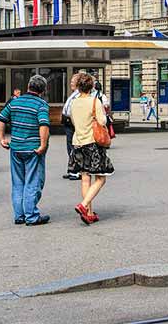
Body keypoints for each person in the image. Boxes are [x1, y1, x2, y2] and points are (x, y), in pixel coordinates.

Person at [0, 74, 51, 225]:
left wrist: (2, 139)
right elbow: (43, 125)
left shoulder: (15, 102)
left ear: (28, 86)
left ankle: (19, 215)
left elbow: (1, 119)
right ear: (43, 90)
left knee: (18, 182)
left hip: (15, 147)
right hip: (33, 149)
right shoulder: (41, 104)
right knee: (33, 182)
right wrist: (42, 145)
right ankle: (31, 216)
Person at [67, 72, 112, 224]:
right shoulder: (94, 102)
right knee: (101, 178)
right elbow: (102, 121)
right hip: (92, 143)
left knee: (85, 178)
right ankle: (83, 205)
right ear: (91, 86)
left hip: (77, 142)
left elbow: (73, 121)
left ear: (78, 87)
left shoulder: (73, 102)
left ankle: (89, 212)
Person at [62, 78, 82, 180]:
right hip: (68, 123)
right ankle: (72, 170)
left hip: (73, 123)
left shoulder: (79, 94)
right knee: (70, 147)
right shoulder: (74, 93)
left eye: (72, 82)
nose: (70, 84)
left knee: (75, 147)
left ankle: (77, 171)